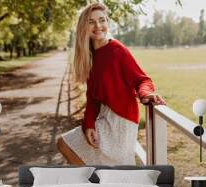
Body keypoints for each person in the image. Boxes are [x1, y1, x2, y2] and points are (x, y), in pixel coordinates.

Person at [57, 2, 166, 165]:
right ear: (83, 27)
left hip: (121, 122)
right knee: (64, 145)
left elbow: (142, 80)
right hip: (104, 117)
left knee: (66, 145)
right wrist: (88, 125)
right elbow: (92, 99)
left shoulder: (117, 50)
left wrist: (145, 94)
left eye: (102, 20)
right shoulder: (90, 57)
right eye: (91, 21)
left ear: (107, 22)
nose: (98, 26)